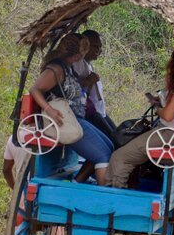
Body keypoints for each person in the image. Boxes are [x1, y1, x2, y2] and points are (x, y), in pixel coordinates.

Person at [106, 49, 174, 188]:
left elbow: (168, 116)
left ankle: (116, 196)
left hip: (171, 135)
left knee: (120, 157)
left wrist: (157, 107)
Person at [29, 33, 113, 185]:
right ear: (77, 55)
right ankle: (104, 199)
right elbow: (34, 89)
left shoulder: (67, 68)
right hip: (65, 121)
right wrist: (49, 109)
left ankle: (77, 183)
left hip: (76, 118)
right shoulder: (55, 69)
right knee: (103, 156)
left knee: (110, 147)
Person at [3, 136, 58, 235]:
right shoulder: (51, 137)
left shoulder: (14, 139)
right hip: (46, 194)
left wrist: (16, 189)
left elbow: (6, 170)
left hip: (23, 194)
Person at [72, 29, 118, 146]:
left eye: (100, 47)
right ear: (85, 46)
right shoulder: (77, 64)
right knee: (112, 143)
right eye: (95, 46)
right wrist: (88, 81)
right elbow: (72, 88)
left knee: (119, 138)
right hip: (91, 114)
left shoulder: (87, 65)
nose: (99, 50)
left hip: (99, 112)